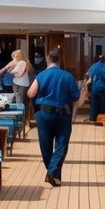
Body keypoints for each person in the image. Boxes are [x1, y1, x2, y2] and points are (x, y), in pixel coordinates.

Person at [27, 50, 80, 187]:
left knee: (45, 145)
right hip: (63, 114)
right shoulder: (67, 76)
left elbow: (31, 93)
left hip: (43, 114)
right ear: (59, 60)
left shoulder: (41, 76)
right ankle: (53, 174)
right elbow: (76, 96)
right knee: (61, 145)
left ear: (47, 59)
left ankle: (52, 173)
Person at [83, 55, 105, 123]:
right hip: (104, 89)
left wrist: (87, 88)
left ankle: (92, 120)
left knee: (93, 107)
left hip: (94, 90)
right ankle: (100, 121)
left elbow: (86, 75)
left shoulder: (94, 66)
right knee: (102, 108)